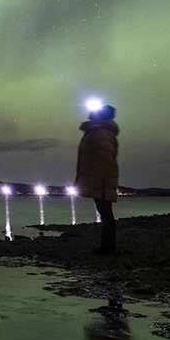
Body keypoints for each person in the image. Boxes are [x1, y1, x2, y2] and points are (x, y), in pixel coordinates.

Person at [75, 103, 119, 254]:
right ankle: (107, 246)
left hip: (102, 182)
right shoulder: (97, 131)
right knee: (105, 213)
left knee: (106, 214)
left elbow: (104, 157)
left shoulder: (101, 133)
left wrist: (95, 180)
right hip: (101, 181)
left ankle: (107, 248)